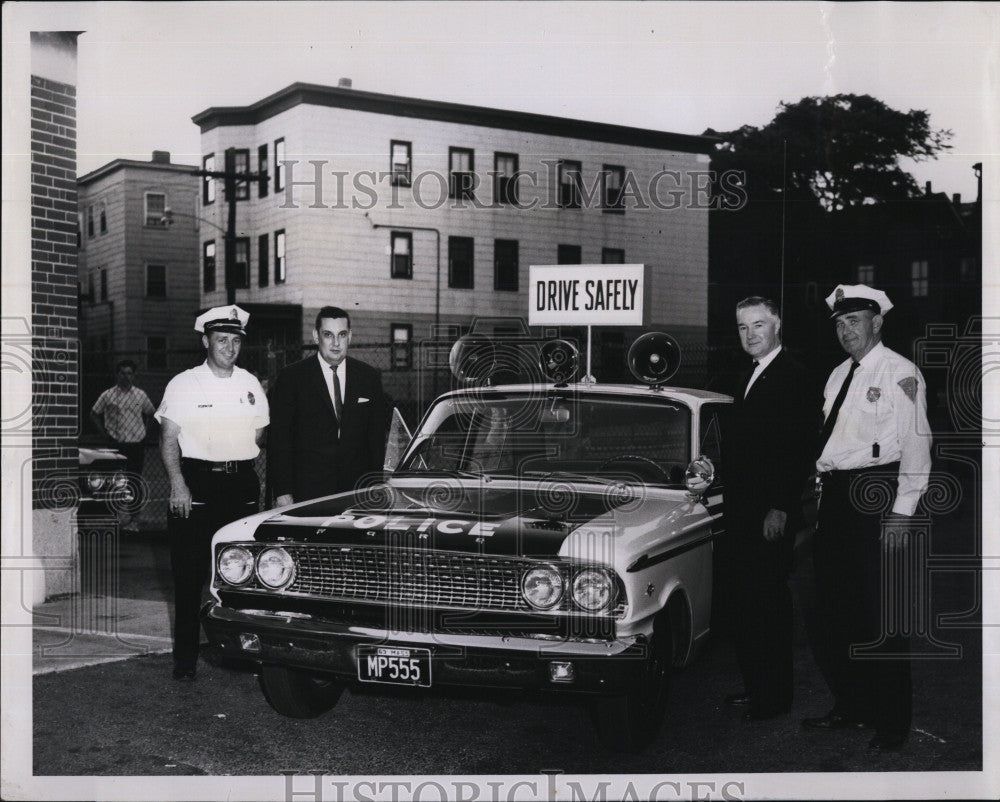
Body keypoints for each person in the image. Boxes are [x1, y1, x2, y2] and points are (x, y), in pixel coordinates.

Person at [802, 284, 931, 751]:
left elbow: (917, 444)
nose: (845, 330)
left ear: (878, 322)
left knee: (881, 616)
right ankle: (853, 705)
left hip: (876, 497)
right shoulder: (837, 375)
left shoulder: (901, 372)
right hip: (836, 497)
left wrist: (902, 511)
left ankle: (893, 723)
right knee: (836, 611)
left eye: (854, 320)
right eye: (838, 323)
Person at [154, 305, 269, 681]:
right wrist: (177, 484)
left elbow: (259, 436)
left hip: (241, 485)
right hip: (196, 484)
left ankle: (243, 656)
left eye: (236, 341)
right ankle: (185, 662)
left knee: (246, 576)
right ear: (206, 341)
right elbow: (168, 437)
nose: (230, 348)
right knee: (189, 577)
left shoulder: (250, 383)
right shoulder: (184, 383)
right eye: (222, 340)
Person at [717, 296, 817, 721]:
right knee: (746, 604)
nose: (750, 334)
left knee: (768, 605)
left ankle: (774, 698)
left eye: (758, 325)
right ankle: (757, 688)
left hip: (769, 514)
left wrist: (780, 507)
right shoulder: (747, 376)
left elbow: (797, 450)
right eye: (743, 327)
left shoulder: (792, 375)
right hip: (741, 511)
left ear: (777, 326)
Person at [268, 306, 388, 505]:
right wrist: (283, 491)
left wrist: (375, 483)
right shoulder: (292, 378)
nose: (335, 343)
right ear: (316, 336)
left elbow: (375, 438)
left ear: (350, 336)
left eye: (341, 335)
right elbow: (280, 440)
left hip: (356, 491)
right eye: (328, 335)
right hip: (307, 491)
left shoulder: (368, 377)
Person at [90, 359, 156, 531]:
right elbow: (94, 413)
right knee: (115, 481)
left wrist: (145, 433)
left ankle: (135, 519)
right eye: (122, 373)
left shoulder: (140, 395)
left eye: (129, 373)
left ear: (133, 376)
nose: (125, 376)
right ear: (117, 375)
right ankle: (116, 517)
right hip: (116, 444)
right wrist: (105, 434)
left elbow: (151, 413)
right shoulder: (108, 395)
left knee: (135, 481)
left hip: (136, 444)